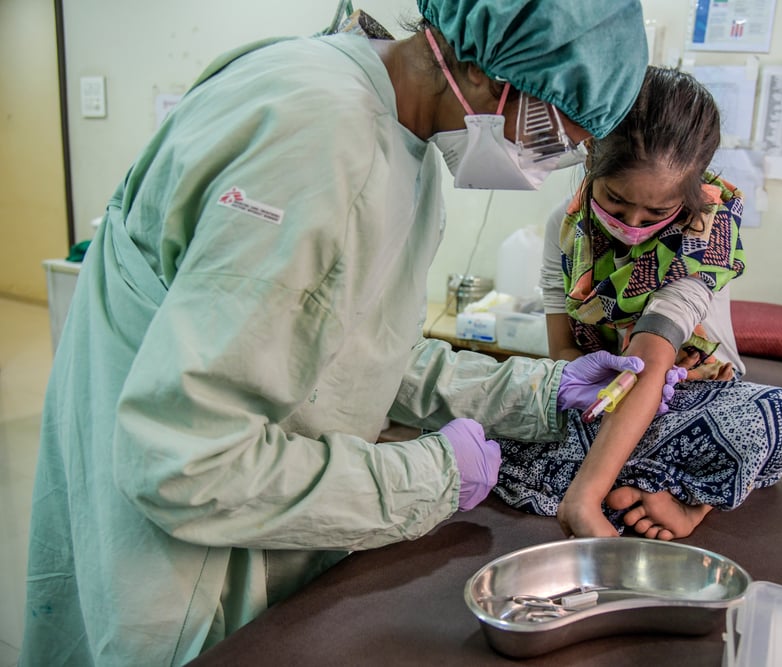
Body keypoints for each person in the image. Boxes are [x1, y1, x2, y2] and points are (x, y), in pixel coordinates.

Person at [21, 2, 650, 664]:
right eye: (553, 140)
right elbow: (185, 459)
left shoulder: (391, 133)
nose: (547, 164)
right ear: (494, 78)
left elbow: (349, 345)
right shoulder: (319, 139)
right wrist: (428, 475)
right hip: (186, 561)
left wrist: (537, 391)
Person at [493, 67, 782, 541]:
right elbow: (561, 353)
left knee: (777, 418)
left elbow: (650, 361)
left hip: (691, 401)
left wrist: (584, 498)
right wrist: (592, 394)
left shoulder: (707, 234)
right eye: (616, 204)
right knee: (492, 416)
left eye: (657, 213)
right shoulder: (567, 226)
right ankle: (653, 489)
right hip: (601, 403)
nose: (633, 223)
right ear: (590, 157)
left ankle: (639, 493)